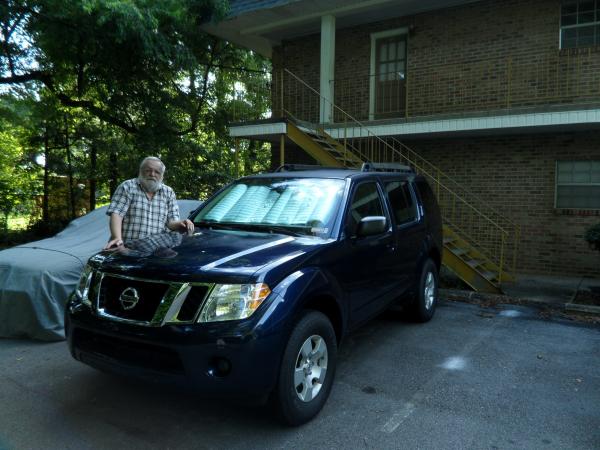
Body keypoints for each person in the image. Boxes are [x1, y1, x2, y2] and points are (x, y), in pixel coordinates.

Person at [104, 156, 194, 250]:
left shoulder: (168, 192)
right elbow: (117, 214)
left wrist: (181, 223)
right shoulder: (127, 187)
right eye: (148, 170)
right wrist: (117, 238)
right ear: (140, 171)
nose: (152, 174)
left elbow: (171, 223)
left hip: (157, 251)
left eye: (157, 172)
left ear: (162, 176)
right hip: (128, 249)